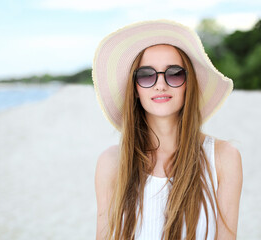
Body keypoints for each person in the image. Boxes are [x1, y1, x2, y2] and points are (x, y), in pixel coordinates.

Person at [92, 20, 243, 240]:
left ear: (188, 84)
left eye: (174, 73)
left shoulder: (223, 158)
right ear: (134, 89)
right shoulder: (112, 162)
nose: (160, 84)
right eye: (146, 75)